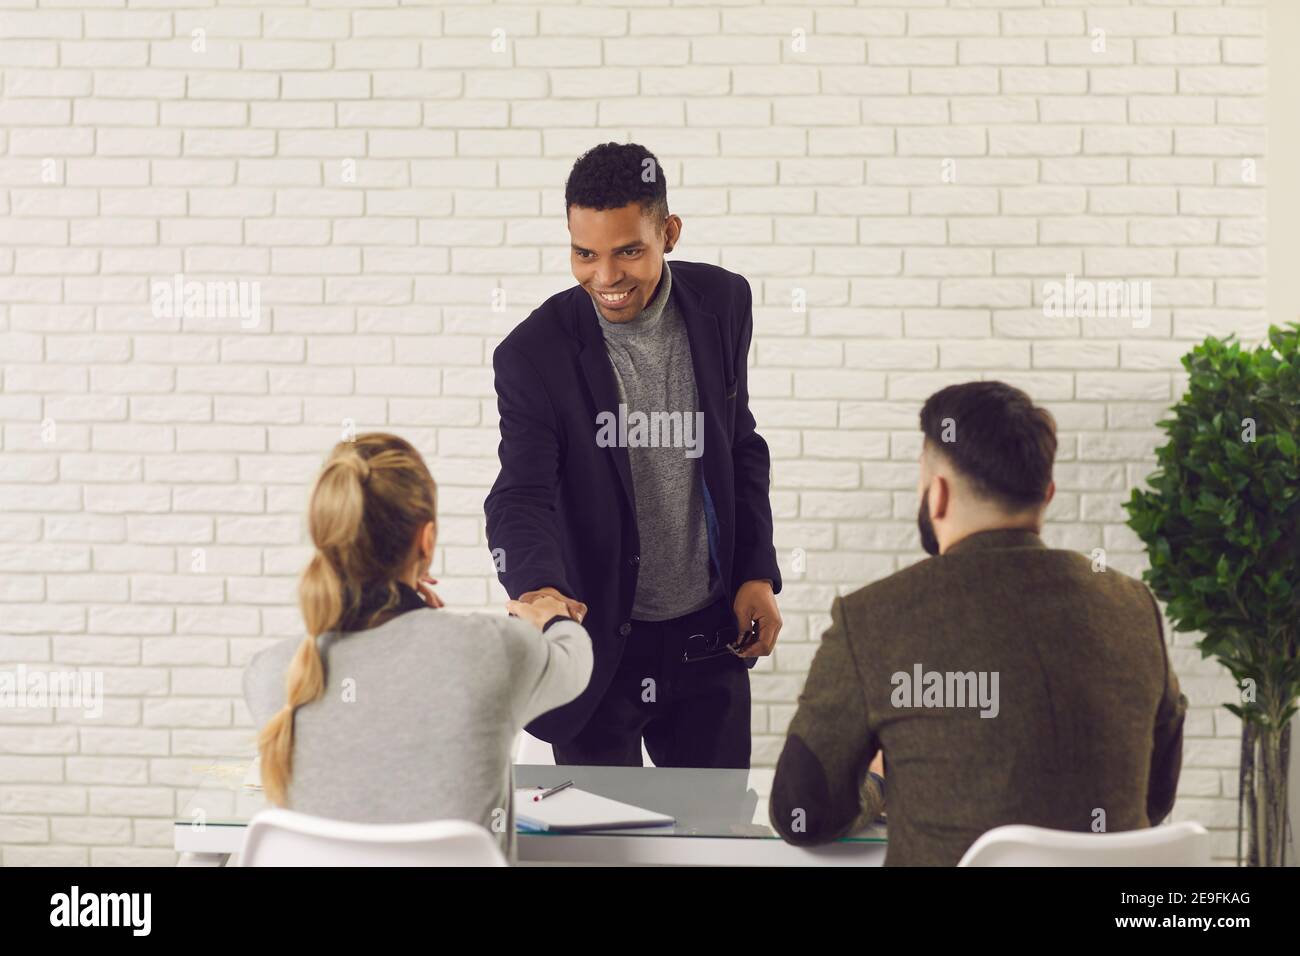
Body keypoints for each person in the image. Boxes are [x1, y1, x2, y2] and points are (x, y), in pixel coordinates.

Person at [769, 381, 1188, 865]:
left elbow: (802, 811)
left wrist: (882, 781)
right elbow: (1153, 801)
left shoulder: (873, 618)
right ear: (1046, 495)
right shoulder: (1134, 607)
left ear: (938, 495)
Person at [484, 142, 782, 768]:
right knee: (602, 853)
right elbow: (521, 493)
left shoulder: (724, 303)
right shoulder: (533, 354)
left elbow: (739, 442)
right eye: (583, 254)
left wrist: (755, 571)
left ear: (668, 233)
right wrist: (537, 589)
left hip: (707, 639)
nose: (606, 277)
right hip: (597, 651)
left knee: (715, 844)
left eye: (628, 251)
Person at [244, 433, 592, 862]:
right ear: (425, 542)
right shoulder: (488, 651)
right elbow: (575, 659)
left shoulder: (270, 674)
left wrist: (405, 616)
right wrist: (551, 615)